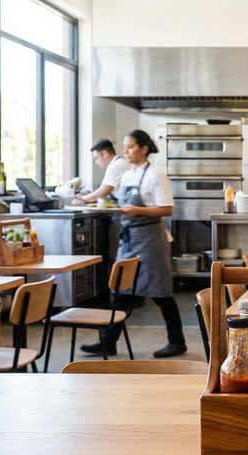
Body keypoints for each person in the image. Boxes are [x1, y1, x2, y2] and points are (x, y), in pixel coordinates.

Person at [80, 130, 187, 358]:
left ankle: (177, 341)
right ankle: (109, 341)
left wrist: (137, 210)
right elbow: (120, 201)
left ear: (144, 148)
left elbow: (167, 209)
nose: (125, 152)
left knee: (160, 293)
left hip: (150, 239)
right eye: (125, 147)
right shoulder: (128, 175)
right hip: (129, 239)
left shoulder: (155, 175)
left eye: (130, 147)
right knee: (121, 290)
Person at [72, 139, 127, 205]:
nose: (96, 162)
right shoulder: (117, 163)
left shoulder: (116, 165)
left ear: (105, 154)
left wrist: (83, 198)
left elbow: (102, 192)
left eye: (96, 158)